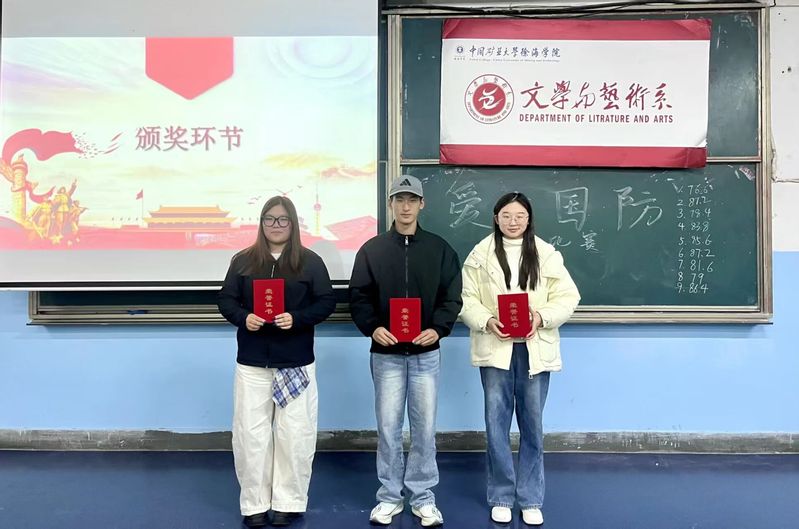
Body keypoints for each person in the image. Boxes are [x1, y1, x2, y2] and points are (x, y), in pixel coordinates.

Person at [459, 192, 580, 526]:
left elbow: (568, 296)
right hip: (495, 348)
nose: (513, 222)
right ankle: (501, 495)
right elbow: (466, 299)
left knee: (532, 425)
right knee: (496, 424)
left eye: (520, 216)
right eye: (506, 215)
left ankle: (530, 498)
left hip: (533, 347)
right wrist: (487, 320)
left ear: (529, 219)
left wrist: (541, 317)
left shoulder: (546, 253)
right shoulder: (479, 254)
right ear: (496, 218)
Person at [349, 175, 462, 527]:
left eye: (412, 199)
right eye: (399, 199)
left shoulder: (440, 250)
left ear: (422, 204)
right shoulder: (372, 250)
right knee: (388, 428)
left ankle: (423, 497)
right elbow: (359, 296)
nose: (406, 206)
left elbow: (452, 297)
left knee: (425, 428)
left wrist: (438, 329)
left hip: (426, 355)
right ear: (391, 204)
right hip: (386, 356)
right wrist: (373, 327)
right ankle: (389, 497)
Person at [218, 196, 336, 528]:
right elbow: (226, 299)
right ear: (261, 223)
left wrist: (297, 318)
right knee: (250, 434)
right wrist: (244, 317)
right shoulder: (242, 261)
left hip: (296, 361)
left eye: (283, 220)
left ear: (293, 224)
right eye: (269, 219)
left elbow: (326, 301)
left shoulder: (310, 262)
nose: (276, 225)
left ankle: (289, 502)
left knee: (295, 434)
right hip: (253, 363)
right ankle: (254, 503)